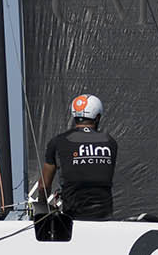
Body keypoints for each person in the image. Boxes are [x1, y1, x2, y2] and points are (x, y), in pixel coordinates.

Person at [37, 93, 118, 221]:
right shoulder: (110, 142)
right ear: (97, 117)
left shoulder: (58, 141)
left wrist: (41, 210)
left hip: (72, 219)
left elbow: (43, 186)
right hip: (104, 218)